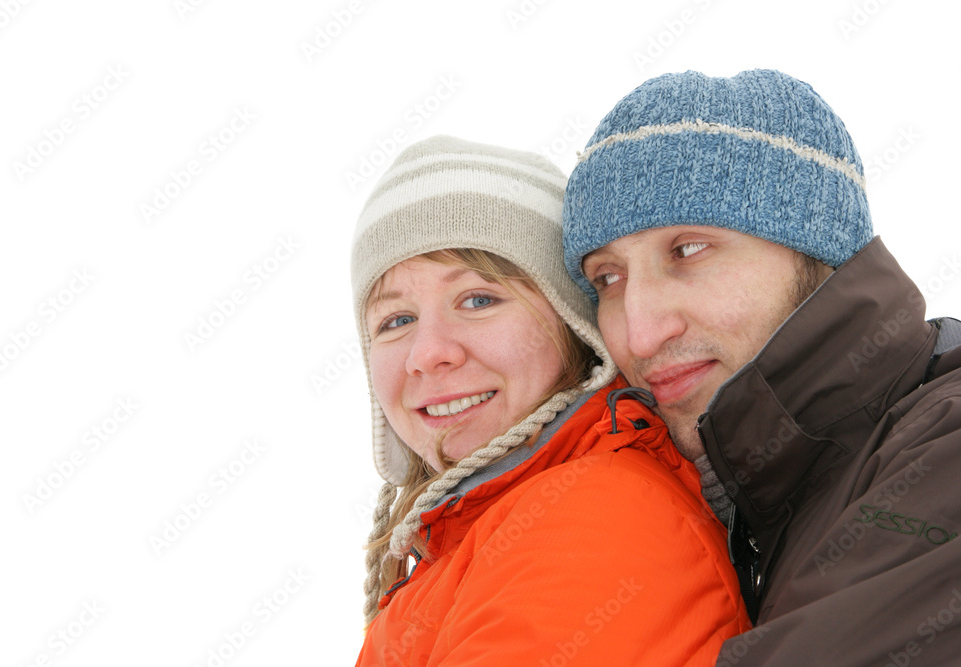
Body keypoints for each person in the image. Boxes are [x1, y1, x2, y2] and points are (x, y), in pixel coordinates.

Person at [563, 69, 961, 665]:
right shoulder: (744, 498)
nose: (641, 335)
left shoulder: (944, 449)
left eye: (688, 250)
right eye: (607, 279)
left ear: (818, 250)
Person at [351, 135, 750, 665]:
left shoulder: (597, 519)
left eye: (478, 299)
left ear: (573, 327)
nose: (427, 354)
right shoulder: (474, 533)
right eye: (396, 320)